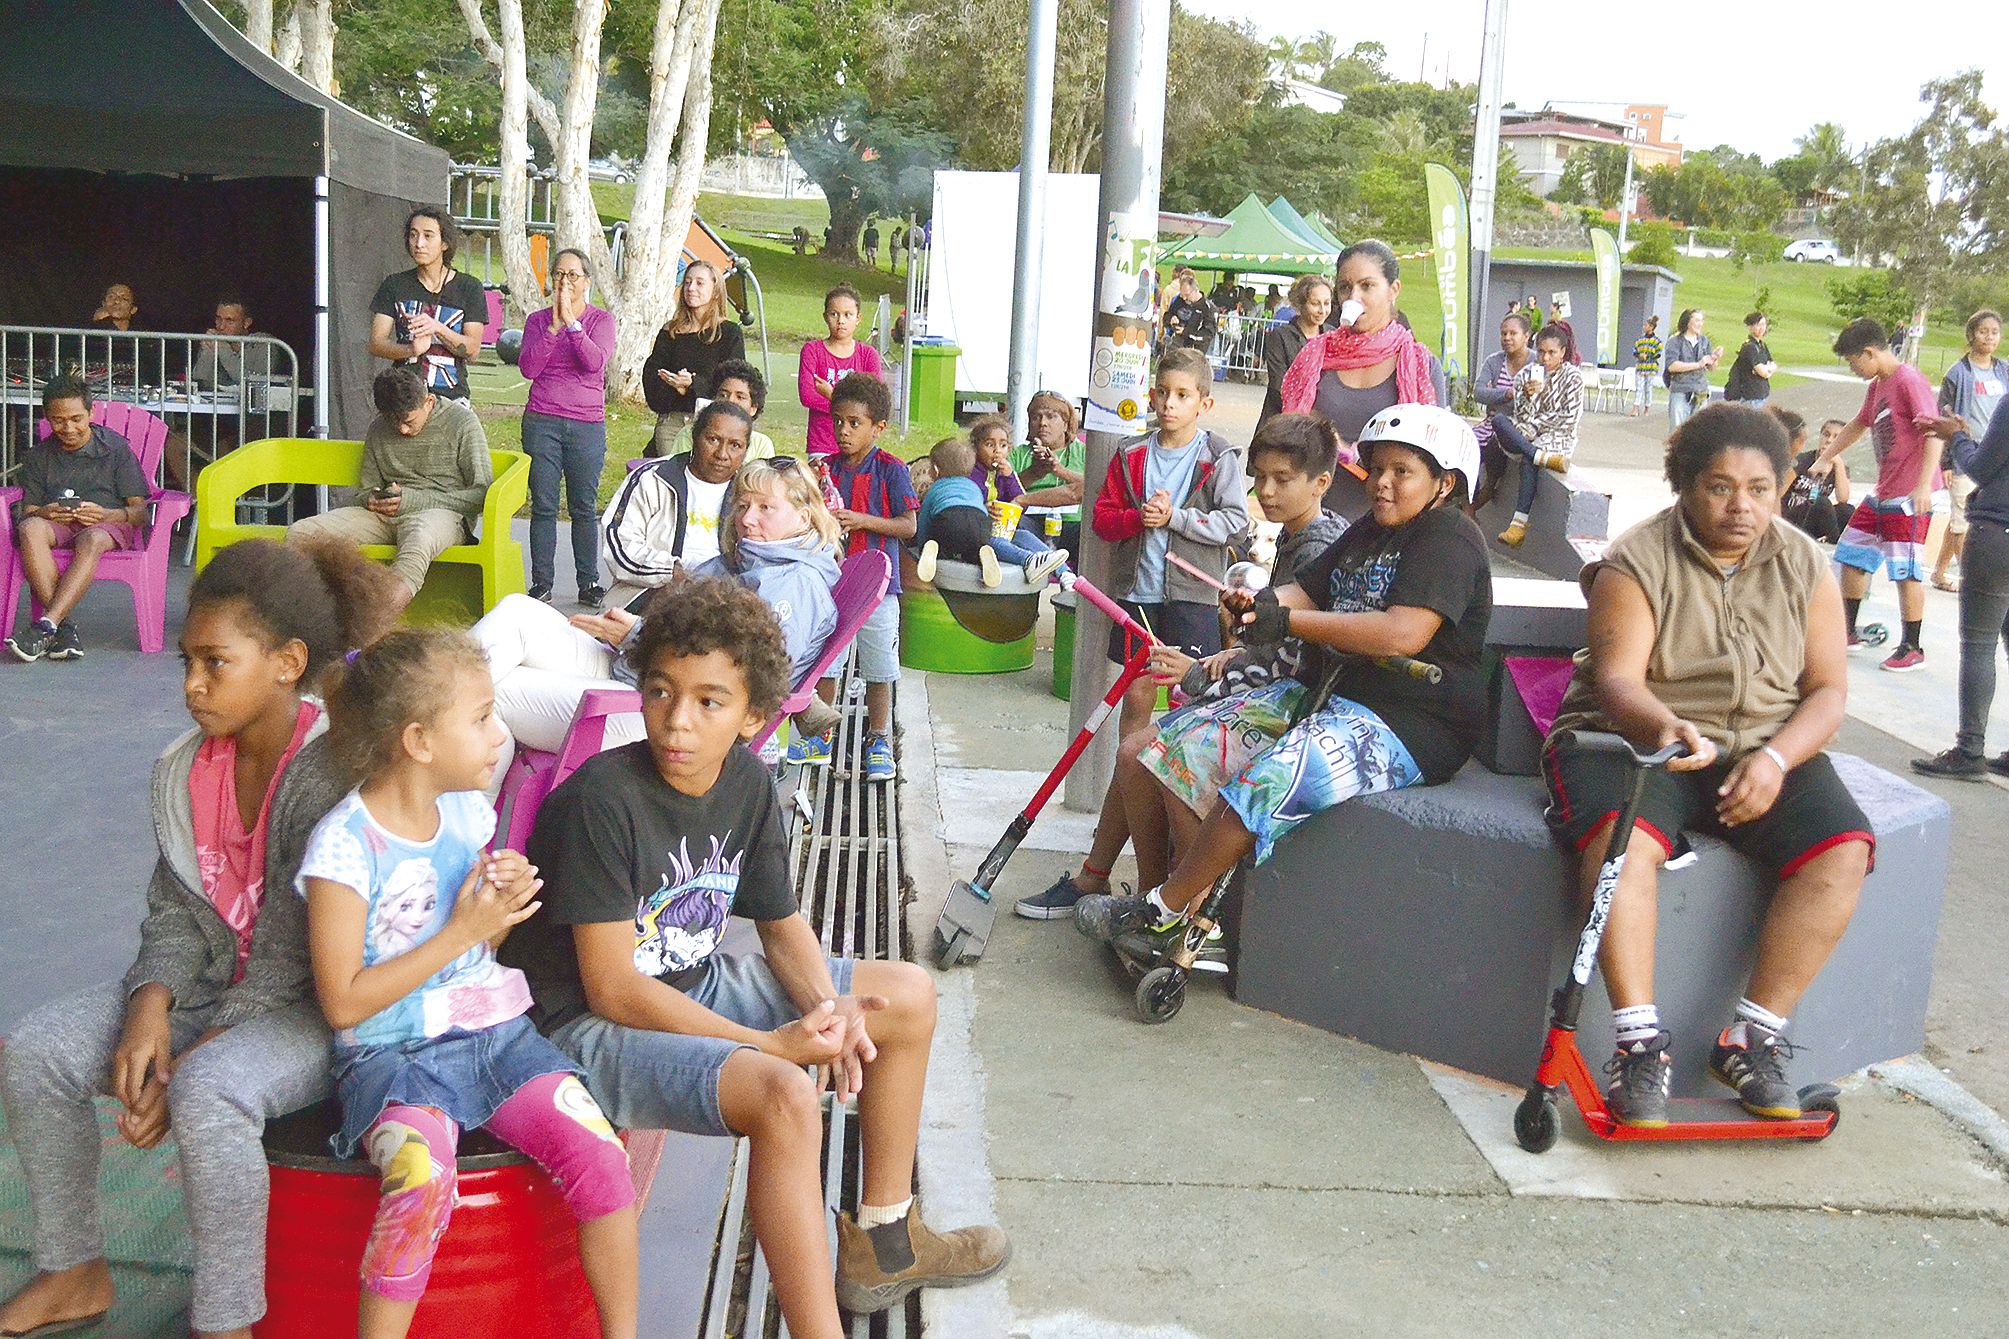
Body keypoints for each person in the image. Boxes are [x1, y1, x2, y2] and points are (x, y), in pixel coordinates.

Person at [498, 577, 1010, 1337]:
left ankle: (885, 1242)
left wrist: (823, 1005)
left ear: (754, 716)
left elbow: (780, 923)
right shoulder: (601, 800)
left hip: (686, 980)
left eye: (709, 701)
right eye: (661, 691)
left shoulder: (744, 781)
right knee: (783, 1094)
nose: (677, 721)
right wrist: (769, 1042)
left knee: (904, 994)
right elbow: (610, 990)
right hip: (577, 1032)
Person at [0, 538, 399, 1339]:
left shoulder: (331, 774)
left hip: (323, 1009)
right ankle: (72, 1266)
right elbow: (175, 912)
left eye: (215, 662)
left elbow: (293, 964)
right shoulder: (184, 767)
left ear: (287, 662)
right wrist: (149, 1006)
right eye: (187, 659)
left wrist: (180, 1065)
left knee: (209, 1091)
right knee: (38, 1047)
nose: (190, 683)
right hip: (213, 991)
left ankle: (226, 1322)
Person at [300, 629, 638, 1339]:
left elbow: (480, 946)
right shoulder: (344, 846)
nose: (499, 732)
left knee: (603, 1154)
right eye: (481, 716)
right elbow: (343, 1000)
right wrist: (462, 929)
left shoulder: (464, 810)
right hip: (393, 1059)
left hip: (495, 1035)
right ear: (419, 740)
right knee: (419, 1181)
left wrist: (500, 906)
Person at [1542, 403, 1869, 1127]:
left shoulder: (1805, 562)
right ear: (1683, 486)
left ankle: (1751, 1034)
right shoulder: (1634, 560)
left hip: (1760, 745)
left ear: (1781, 489)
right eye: (1719, 486)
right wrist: (1666, 725)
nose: (1740, 505)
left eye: (1759, 488)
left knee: (1841, 850)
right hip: (1637, 740)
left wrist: (1778, 758)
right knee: (1618, 847)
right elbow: (1620, 681)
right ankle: (1638, 1046)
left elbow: (1827, 691)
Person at [1073, 404, 1492, 961]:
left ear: (1446, 482)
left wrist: (1286, 620)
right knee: (1168, 749)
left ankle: (1167, 914)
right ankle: (1170, 905)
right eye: (1378, 469)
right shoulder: (1370, 531)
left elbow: (1402, 633)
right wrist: (1258, 607)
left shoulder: (1450, 539)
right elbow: (1306, 592)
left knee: (1261, 783)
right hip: (1331, 693)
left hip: (1409, 723)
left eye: (1403, 472)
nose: (1383, 484)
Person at [1013, 351, 1245, 918]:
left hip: (1191, 600)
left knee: (1188, 710)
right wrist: (1139, 517)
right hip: (1136, 600)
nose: (1169, 403)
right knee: (1134, 716)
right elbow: (1103, 518)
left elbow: (1236, 521)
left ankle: (1157, 861)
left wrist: (1180, 520)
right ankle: (1132, 848)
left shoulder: (1218, 457)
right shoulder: (1132, 452)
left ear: (1204, 403)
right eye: (1162, 392)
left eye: (1183, 395)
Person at [1104, 414, 1350, 901]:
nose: (1266, 491)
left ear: (1322, 482)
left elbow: (1291, 663)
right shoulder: (1299, 536)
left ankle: (1180, 907)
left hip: (1294, 704)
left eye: (1282, 479)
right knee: (1134, 753)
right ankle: (1154, 896)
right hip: (1272, 690)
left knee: (1157, 758)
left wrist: (1197, 673)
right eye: (1260, 478)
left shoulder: (1317, 548)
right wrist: (1231, 647)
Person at [477, 457, 844, 783]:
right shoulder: (751, 561)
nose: (747, 519)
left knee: (484, 697)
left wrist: (637, 635)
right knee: (516, 612)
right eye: (743, 505)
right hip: (640, 674)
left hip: (669, 715)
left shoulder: (795, 585)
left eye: (766, 507)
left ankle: (464, 830)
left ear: (803, 516)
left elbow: (734, 673)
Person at [287, 367, 493, 616]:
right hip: (386, 514)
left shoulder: (461, 423)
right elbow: (365, 489)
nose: (402, 430)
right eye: (393, 422)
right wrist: (372, 498)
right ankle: (308, 615)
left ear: (428, 401)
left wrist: (414, 501)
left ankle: (373, 623)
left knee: (419, 536)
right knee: (302, 532)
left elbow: (481, 494)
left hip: (444, 515)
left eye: (408, 421)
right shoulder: (379, 428)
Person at [1805, 318, 1945, 672]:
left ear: (1869, 352)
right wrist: (1826, 456)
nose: (1854, 369)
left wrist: (1923, 485)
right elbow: (1858, 423)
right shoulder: (1879, 385)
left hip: (1908, 494)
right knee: (1851, 553)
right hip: (1883, 490)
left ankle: (1912, 646)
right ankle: (1846, 630)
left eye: (1854, 362)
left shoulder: (1909, 381)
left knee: (1906, 570)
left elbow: (1933, 433)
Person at [799, 374, 916, 779]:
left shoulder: (892, 470)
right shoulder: (822, 469)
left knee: (879, 665)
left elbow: (908, 526)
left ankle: (879, 737)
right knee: (827, 661)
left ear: (878, 427)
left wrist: (862, 520)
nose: (844, 431)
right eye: (838, 422)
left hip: (880, 588)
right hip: (831, 583)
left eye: (855, 423)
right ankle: (823, 734)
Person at [1278, 240, 1447, 510]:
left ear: (1394, 290)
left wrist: (1351, 453)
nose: (1353, 297)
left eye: (1367, 286)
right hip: (1313, 519)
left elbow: (1433, 456)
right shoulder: (1314, 355)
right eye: (1345, 287)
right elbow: (1288, 429)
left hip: (1388, 526)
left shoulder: (1419, 364)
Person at [5, 377, 150, 663]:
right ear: (47, 418)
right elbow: (29, 511)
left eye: (76, 419)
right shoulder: (38, 456)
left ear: (91, 413)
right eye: (58, 421)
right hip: (58, 522)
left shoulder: (116, 450)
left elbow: (140, 513)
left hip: (107, 525)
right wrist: (45, 512)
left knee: (92, 537)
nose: (68, 428)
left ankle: (47, 625)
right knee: (30, 528)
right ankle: (60, 627)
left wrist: (107, 514)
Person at [1912, 399, 2009, 778]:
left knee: (1979, 644)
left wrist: (1957, 438)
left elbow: (1983, 469)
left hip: (1997, 534)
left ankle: (1970, 750)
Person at [518, 247, 616, 606]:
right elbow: (529, 367)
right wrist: (554, 327)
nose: (565, 282)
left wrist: (572, 325)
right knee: (543, 504)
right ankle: (542, 581)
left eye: (573, 275)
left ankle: (588, 581)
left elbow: (593, 362)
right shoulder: (536, 321)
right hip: (542, 420)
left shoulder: (601, 321)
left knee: (583, 506)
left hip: (587, 425)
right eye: (559, 274)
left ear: (586, 282)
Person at [601, 400, 751, 611]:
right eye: (713, 439)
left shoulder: (750, 492)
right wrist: (671, 572)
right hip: (653, 594)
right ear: (694, 438)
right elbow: (619, 547)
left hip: (726, 601)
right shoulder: (653, 479)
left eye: (735, 445)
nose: (722, 454)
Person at [913, 436, 1068, 589]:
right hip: (979, 524)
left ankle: (933, 549)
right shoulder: (974, 487)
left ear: (935, 470)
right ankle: (984, 552)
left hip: (947, 522)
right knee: (983, 541)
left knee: (941, 537)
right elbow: (979, 510)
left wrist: (923, 543)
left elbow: (925, 519)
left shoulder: (935, 488)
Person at [368, 207, 486, 403]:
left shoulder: (469, 287)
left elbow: (472, 350)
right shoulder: (394, 284)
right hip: (404, 396)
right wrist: (410, 350)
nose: (418, 243)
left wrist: (437, 328)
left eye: (428, 236)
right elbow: (376, 343)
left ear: (445, 243)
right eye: (413, 235)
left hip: (452, 397)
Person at [1932, 310, 2007, 594]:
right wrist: (1948, 461)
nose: (1989, 337)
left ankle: (1939, 572)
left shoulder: (2003, 370)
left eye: (1994, 332)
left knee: (1959, 517)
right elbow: (1945, 417)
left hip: (1997, 454)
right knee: (1962, 519)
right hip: (1966, 454)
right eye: (1983, 331)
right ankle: (1973, 581)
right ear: (1971, 334)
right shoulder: (1958, 373)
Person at [1493, 326, 1585, 548]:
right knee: (1498, 421)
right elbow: (1521, 416)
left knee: (1528, 460)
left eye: (1552, 352)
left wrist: (1535, 424)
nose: (1545, 357)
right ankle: (1538, 456)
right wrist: (1528, 396)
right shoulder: (1526, 375)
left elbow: (1569, 417)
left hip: (1558, 436)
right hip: (1528, 437)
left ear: (1562, 352)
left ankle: (1518, 524)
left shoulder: (1573, 377)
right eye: (1541, 351)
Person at [642, 260, 746, 457]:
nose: (691, 288)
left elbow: (734, 384)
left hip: (714, 424)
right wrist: (676, 387)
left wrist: (693, 385)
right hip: (672, 424)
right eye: (687, 282)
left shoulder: (730, 333)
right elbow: (652, 381)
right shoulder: (670, 332)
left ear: (715, 290)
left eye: (699, 283)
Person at [799, 284, 885, 459]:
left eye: (848, 315)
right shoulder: (812, 350)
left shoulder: (868, 355)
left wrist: (831, 395)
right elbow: (807, 395)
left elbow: (874, 401)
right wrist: (853, 406)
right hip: (822, 442)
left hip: (860, 444)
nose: (841, 321)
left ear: (858, 318)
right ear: (825, 317)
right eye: (834, 314)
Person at [1470, 312, 1536, 510]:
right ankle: (1468, 500)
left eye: (1512, 333)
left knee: (1494, 446)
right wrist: (1506, 394)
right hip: (1490, 423)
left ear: (1526, 336)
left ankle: (1489, 488)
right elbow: (1479, 392)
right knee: (1465, 447)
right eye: (1503, 333)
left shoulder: (1536, 364)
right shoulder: (1494, 361)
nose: (1506, 338)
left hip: (1519, 427)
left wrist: (1495, 395)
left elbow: (1535, 401)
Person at [1011, 390, 1087, 554]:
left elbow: (1094, 487)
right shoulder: (1019, 454)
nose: (1042, 423)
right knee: (1012, 525)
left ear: (1065, 425)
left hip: (1073, 524)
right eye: (1036, 417)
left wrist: (1059, 471)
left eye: (1051, 417)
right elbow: (1004, 493)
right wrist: (1034, 472)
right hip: (1031, 522)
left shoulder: (1084, 453)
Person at [659, 357, 777, 461]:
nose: (730, 401)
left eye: (740, 397)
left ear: (753, 408)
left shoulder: (761, 444)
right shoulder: (689, 435)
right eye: (723, 395)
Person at [1259, 275, 1335, 426]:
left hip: (1321, 421)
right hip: (1283, 419)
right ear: (1300, 304)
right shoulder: (1280, 336)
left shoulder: (1332, 335)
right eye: (1315, 304)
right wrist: (1303, 412)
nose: (1322, 310)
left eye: (1327, 303)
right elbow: (1278, 384)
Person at [1779, 410, 1854, 543]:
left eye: (1836, 437)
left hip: (1813, 519)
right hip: (1793, 516)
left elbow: (1843, 498)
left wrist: (1838, 463)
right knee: (1821, 502)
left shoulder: (1839, 467)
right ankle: (1834, 542)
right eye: (1826, 435)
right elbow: (1779, 493)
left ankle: (1844, 544)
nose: (1829, 440)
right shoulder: (1802, 460)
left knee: (1846, 510)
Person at [1663, 308, 1719, 431]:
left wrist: (1714, 358)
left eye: (1702, 320)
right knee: (1678, 431)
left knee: (1699, 432)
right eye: (1697, 320)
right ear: (1687, 322)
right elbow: (1672, 366)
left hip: (1700, 392)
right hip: (1681, 392)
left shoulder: (1704, 342)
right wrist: (1698, 364)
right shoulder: (1675, 341)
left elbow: (1711, 368)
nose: (1700, 324)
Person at [1724, 311, 1777, 406]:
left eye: (1763, 324)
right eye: (1758, 325)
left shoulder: (1762, 345)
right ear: (1750, 327)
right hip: (1752, 396)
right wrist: (1766, 370)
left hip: (1762, 394)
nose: (1762, 328)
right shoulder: (1749, 347)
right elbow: (1763, 372)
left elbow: (1773, 365)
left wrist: (1767, 369)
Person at [1160, 269, 1216, 355]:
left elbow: (1207, 335)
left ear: (1196, 290)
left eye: (1187, 295)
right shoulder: (1179, 300)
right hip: (1174, 347)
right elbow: (1166, 317)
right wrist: (1171, 318)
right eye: (1182, 295)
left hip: (1195, 352)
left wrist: (1185, 332)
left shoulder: (1208, 308)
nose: (1184, 298)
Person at [1630, 315, 1662, 418]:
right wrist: (1639, 355)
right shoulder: (1640, 340)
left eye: (1646, 325)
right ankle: (1635, 407)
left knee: (1648, 388)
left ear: (1651, 327)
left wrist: (1648, 356)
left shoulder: (1657, 341)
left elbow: (1658, 353)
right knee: (1639, 388)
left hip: (1651, 368)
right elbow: (1634, 351)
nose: (1644, 327)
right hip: (1640, 367)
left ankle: (1647, 408)